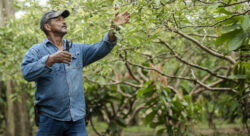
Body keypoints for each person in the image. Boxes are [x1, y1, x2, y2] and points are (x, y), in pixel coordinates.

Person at [21, 9, 130, 136]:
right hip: (50, 118)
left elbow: (102, 47)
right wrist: (50, 60)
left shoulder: (77, 49)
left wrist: (114, 29)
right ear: (47, 26)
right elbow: (27, 73)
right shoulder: (36, 51)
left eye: (64, 19)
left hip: (77, 119)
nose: (63, 22)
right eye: (58, 20)